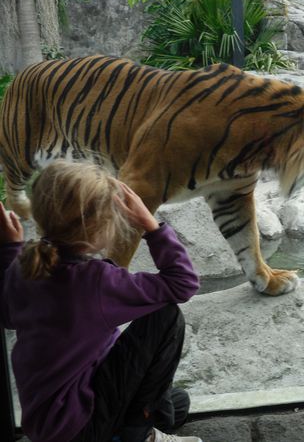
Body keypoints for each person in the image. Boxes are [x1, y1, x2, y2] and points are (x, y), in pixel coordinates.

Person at [0, 160, 202, 442]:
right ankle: (139, 435)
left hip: (46, 424)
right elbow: (183, 283)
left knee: (176, 403)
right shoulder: (96, 281)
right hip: (81, 429)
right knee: (165, 317)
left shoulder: (26, 267)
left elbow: (7, 315)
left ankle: (139, 424)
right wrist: (151, 227)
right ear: (97, 228)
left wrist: (9, 249)